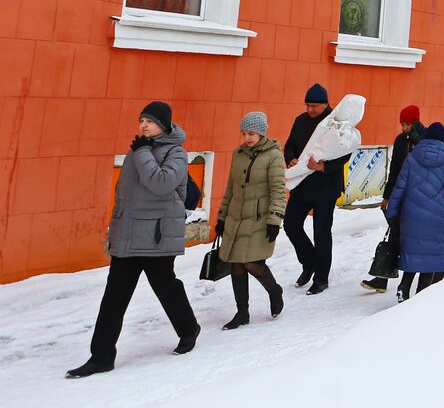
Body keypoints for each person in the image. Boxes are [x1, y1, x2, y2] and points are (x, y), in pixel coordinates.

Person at [67, 102, 201, 378]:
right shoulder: (138, 150)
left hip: (156, 237)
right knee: (113, 298)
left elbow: (161, 183)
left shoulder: (175, 152)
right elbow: (125, 192)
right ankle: (101, 357)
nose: (143, 125)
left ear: (164, 124)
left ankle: (188, 329)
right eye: (141, 120)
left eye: (149, 121)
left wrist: (141, 153)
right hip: (128, 235)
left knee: (166, 288)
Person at [215, 111, 286, 329]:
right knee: (235, 264)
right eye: (244, 133)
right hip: (236, 219)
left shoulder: (273, 155)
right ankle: (242, 313)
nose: (247, 137)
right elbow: (230, 189)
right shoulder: (239, 154)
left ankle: (274, 291)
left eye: (251, 133)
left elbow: (278, 190)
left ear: (261, 132)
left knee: (251, 263)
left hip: (259, 219)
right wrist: (221, 217)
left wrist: (275, 219)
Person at [386, 122, 444, 302]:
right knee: (431, 258)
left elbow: (399, 186)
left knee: (412, 253)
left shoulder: (412, 157)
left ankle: (404, 286)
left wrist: (391, 211)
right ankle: (419, 299)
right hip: (435, 218)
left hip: (411, 215)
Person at [282, 84, 352, 295]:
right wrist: (291, 159)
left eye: (314, 106)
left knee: (321, 233)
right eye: (307, 105)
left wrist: (323, 167)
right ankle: (309, 262)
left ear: (325, 104)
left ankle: (321, 278)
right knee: (291, 225)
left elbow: (345, 153)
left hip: (326, 187)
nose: (310, 109)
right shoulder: (300, 121)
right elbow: (290, 145)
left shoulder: (336, 123)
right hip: (302, 185)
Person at [361, 104, 425, 293]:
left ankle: (438, 268)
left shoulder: (425, 139)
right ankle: (382, 278)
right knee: (395, 234)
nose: (404, 128)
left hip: (419, 197)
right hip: (400, 194)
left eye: (407, 124)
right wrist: (387, 196)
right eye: (402, 124)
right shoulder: (400, 141)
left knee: (416, 236)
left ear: (415, 122)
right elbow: (394, 170)